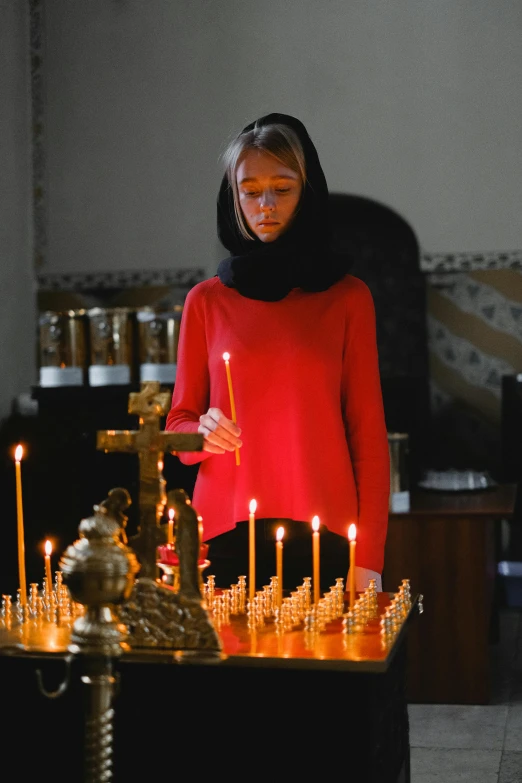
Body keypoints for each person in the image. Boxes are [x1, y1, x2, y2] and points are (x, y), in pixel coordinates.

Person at [166, 112, 390, 596]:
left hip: (326, 536)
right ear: (234, 198)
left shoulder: (348, 298)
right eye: (250, 190)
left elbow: (369, 437)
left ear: (306, 193)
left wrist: (368, 558)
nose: (265, 205)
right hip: (220, 537)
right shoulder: (205, 300)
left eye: (282, 188)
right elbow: (177, 425)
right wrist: (201, 432)